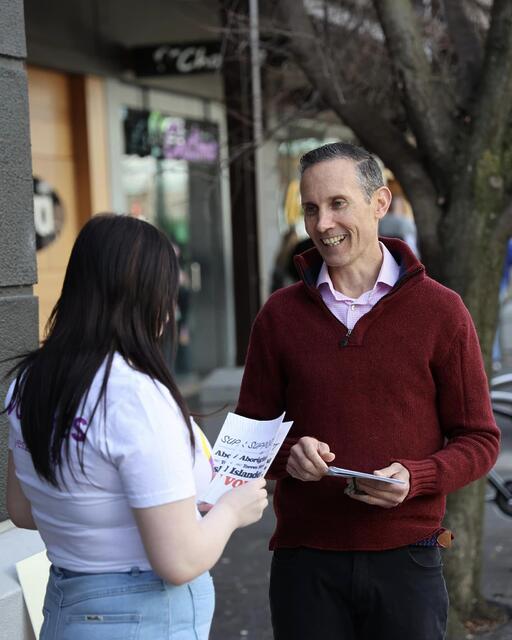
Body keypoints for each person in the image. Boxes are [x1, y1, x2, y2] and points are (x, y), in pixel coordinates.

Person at [235, 142, 500, 640]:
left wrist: (417, 477)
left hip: (408, 561)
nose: (322, 223)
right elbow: (246, 444)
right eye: (310, 208)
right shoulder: (279, 315)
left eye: (338, 203)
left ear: (380, 203)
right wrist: (290, 454)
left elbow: (480, 440)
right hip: (305, 563)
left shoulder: (442, 311)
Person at [4, 214, 268, 640]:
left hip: (65, 607)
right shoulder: (135, 396)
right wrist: (232, 511)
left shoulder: (26, 382)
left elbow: (23, 511)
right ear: (149, 297)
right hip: (141, 616)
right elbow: (180, 562)